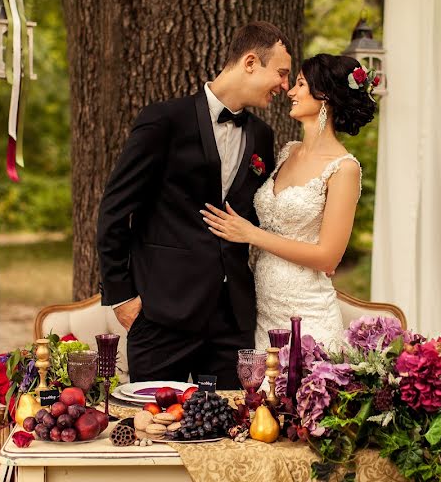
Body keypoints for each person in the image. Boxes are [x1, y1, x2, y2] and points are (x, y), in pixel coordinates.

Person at [97, 21, 292, 385]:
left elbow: (261, 216)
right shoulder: (163, 121)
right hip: (160, 315)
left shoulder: (262, 137)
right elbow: (114, 208)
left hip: (230, 321)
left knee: (227, 431)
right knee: (156, 431)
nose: (284, 85)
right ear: (251, 62)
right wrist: (121, 296)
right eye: (281, 73)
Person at [202, 53, 378, 349]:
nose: (291, 92)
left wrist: (251, 234)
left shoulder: (344, 168)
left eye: (300, 84)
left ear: (324, 96)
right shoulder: (287, 152)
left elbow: (328, 257)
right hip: (263, 314)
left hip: (307, 316)